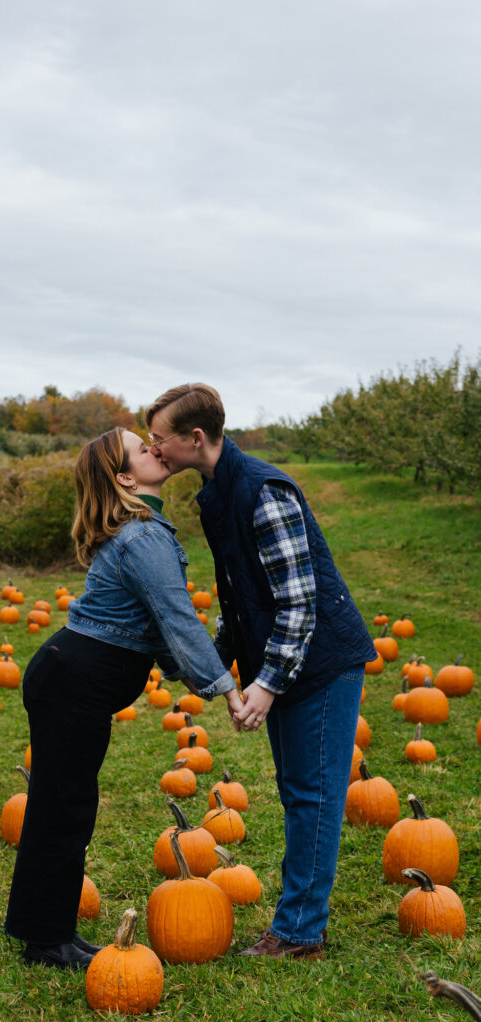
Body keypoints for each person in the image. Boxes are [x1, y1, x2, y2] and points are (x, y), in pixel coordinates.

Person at [145, 384, 377, 961]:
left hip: (320, 663)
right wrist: (213, 660)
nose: (155, 450)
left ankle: (300, 933)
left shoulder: (262, 493)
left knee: (315, 796)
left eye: (159, 439)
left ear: (194, 439)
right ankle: (300, 923)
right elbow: (243, 595)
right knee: (300, 791)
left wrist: (267, 683)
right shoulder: (220, 490)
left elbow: (299, 604)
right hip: (289, 656)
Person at [4, 426, 242, 969]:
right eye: (143, 447)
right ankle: (47, 941)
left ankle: (48, 930)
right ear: (126, 477)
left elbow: (159, 629)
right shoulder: (141, 538)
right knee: (63, 807)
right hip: (72, 682)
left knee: (63, 806)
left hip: (71, 680)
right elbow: (177, 617)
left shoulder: (145, 532)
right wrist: (223, 688)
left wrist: (195, 677)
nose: (156, 448)